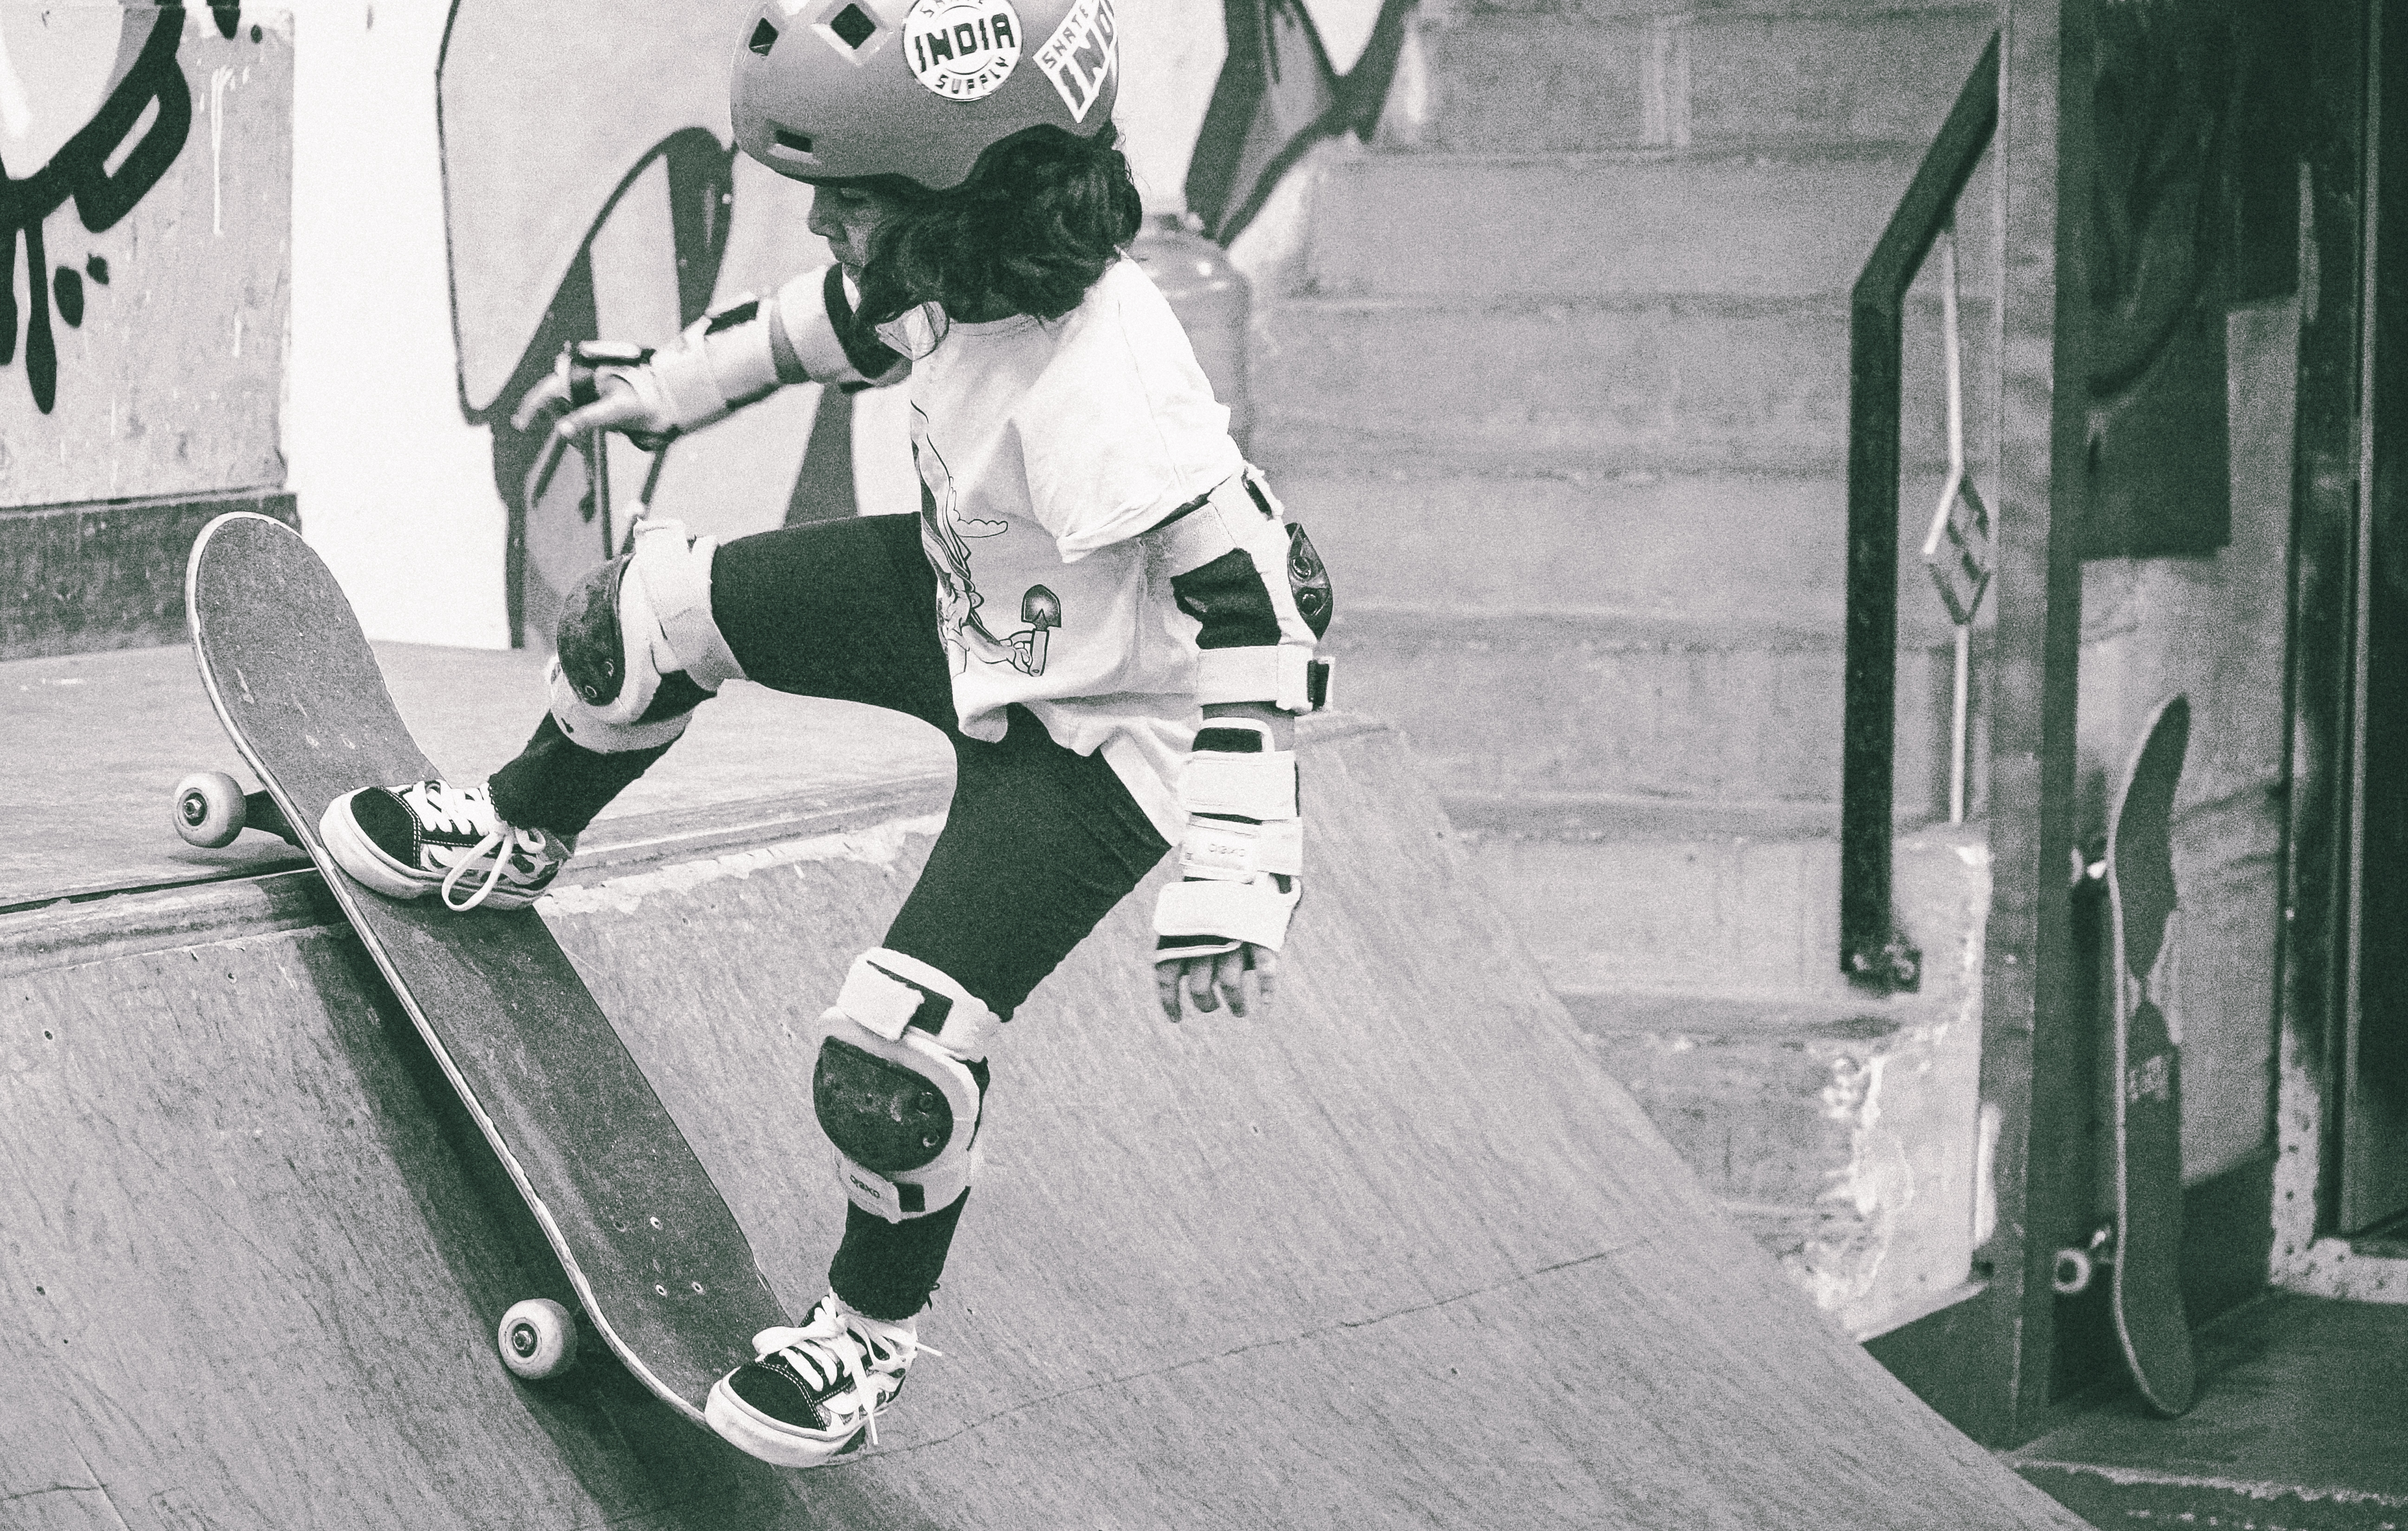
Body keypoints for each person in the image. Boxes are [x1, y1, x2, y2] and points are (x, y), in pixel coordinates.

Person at [314, 0, 1333, 1470]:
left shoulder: (1112, 381)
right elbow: (820, 328)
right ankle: (514, 830)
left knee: (890, 1047)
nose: (820, 226)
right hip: (965, 602)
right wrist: (656, 388)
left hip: (1104, 731)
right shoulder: (946, 266)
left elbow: (1256, 614)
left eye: (846, 201)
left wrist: (1237, 869)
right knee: (644, 614)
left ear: (965, 198)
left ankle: (862, 1335)